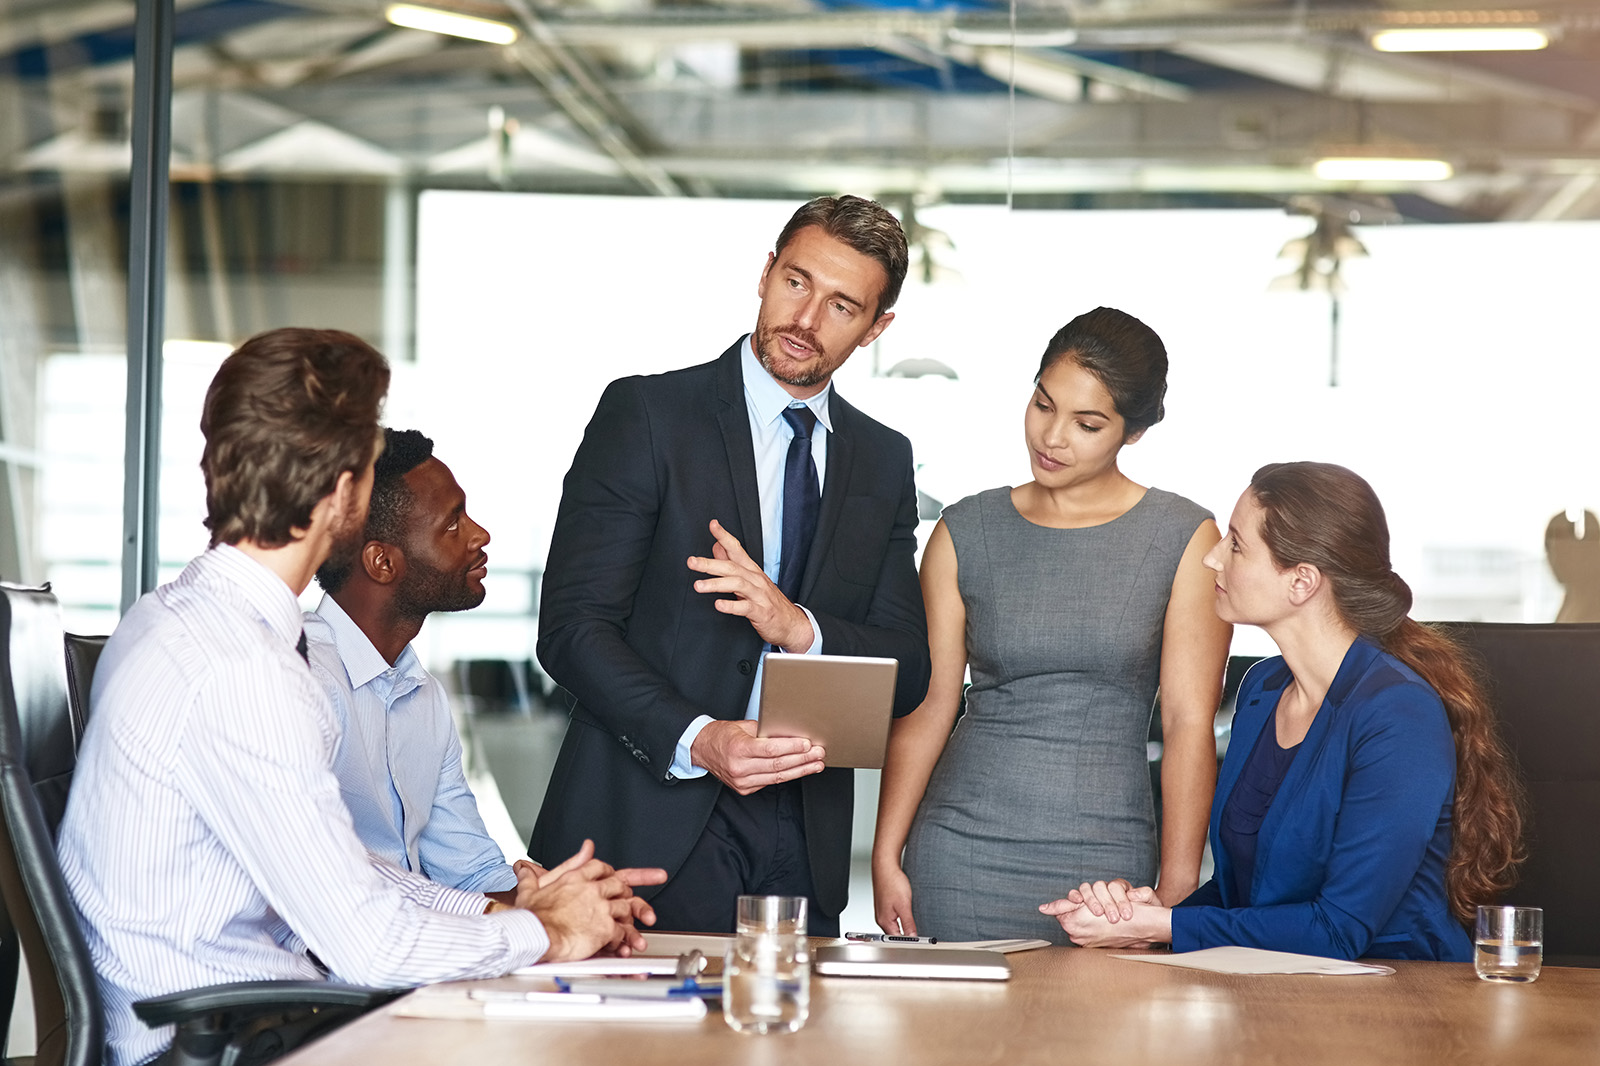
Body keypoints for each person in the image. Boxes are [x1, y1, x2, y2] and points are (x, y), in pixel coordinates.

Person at [55, 329, 663, 1066]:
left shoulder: (179, 619)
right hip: (209, 1059)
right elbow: (366, 942)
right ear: (342, 491)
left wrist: (514, 912)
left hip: (237, 1030)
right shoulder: (246, 671)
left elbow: (347, 871)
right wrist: (546, 935)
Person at [530, 195, 932, 938]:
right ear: (766, 272)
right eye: (796, 282)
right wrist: (700, 736)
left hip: (802, 838)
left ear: (878, 329)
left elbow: (910, 669)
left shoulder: (881, 458)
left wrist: (798, 625)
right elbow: (572, 629)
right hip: (649, 821)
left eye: (842, 306)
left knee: (789, 1052)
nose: (806, 320)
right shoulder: (648, 414)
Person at [1039, 463, 1526, 960]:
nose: (1212, 558)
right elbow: (1245, 900)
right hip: (1274, 991)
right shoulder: (1263, 688)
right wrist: (1140, 917)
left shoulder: (1399, 715)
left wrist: (1166, 924)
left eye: (1235, 544)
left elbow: (1338, 931)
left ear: (1302, 582)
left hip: (1400, 1002)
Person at [872, 307, 1229, 943]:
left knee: (1094, 1042)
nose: (1052, 437)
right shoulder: (965, 530)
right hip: (960, 850)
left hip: (1107, 866)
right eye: (1043, 404)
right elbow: (930, 707)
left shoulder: (1184, 537)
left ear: (1133, 432)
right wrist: (886, 851)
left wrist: (1176, 891)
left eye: (1087, 424)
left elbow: (1187, 724)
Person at [309, 427, 523, 900]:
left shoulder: (422, 695)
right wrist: (508, 919)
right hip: (321, 967)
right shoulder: (305, 683)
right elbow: (333, 887)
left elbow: (470, 874)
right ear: (382, 562)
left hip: (407, 955)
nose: (479, 535)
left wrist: (549, 899)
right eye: (452, 523)